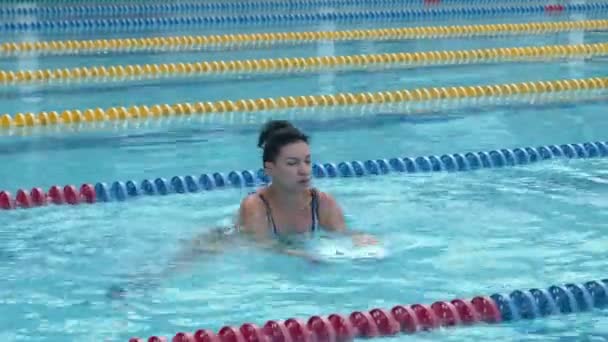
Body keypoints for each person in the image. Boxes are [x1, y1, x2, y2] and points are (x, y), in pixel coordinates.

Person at [235, 120, 377, 261]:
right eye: (292, 163)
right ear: (270, 169)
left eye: (307, 161)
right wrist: (300, 255)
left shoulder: (322, 202)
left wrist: (361, 239)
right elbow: (260, 247)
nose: (304, 171)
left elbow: (342, 234)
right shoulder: (256, 205)